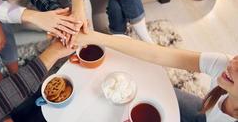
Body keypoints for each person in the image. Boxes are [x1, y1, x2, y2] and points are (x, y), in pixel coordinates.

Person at [74, 30, 238, 122]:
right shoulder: (224, 64)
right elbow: (157, 54)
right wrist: (95, 37)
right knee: (149, 92)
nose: (232, 64)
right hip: (204, 112)